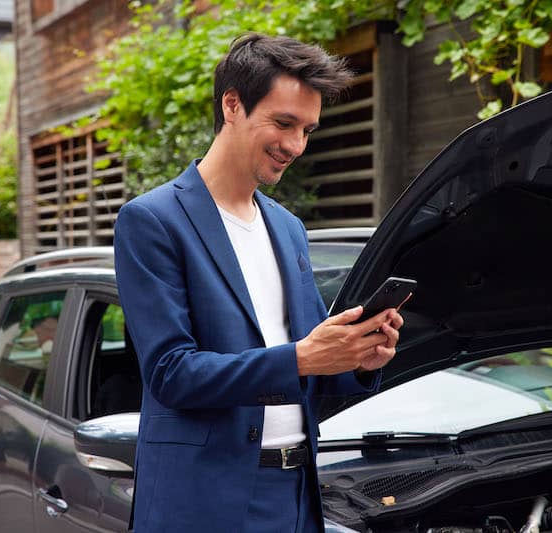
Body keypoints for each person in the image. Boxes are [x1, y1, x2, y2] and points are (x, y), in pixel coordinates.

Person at [113, 33, 405, 532]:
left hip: (297, 497)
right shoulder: (151, 220)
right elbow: (170, 373)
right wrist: (303, 358)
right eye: (284, 123)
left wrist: (357, 357)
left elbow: (308, 360)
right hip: (202, 502)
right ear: (232, 105)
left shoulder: (288, 228)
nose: (295, 145)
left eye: (308, 130)